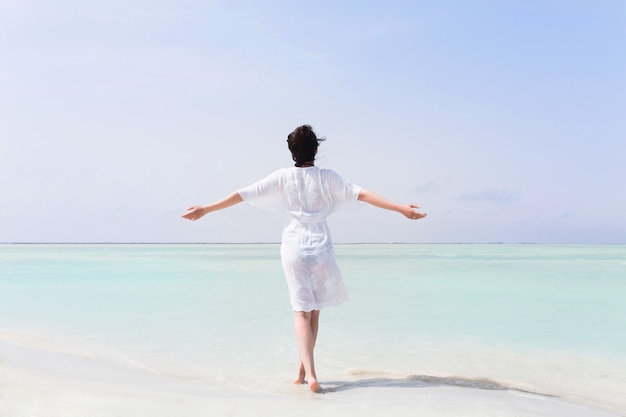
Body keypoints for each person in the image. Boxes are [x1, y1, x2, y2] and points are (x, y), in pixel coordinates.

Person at [182, 125, 426, 393]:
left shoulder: (282, 177)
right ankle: (306, 375)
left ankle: (307, 374)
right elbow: (363, 194)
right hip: (320, 247)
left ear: (292, 152)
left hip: (293, 248)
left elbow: (243, 194)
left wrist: (206, 209)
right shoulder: (327, 177)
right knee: (313, 313)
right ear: (317, 150)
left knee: (301, 312)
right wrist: (401, 208)